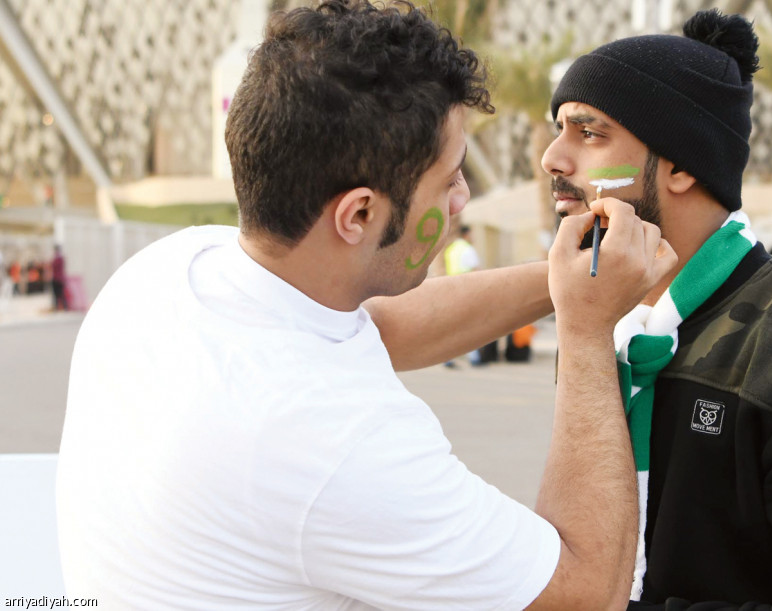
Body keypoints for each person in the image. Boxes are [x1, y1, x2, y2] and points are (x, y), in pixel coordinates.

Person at [56, 1, 676, 609]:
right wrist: (587, 328)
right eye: (450, 179)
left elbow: (384, 327)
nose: (462, 198)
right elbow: (586, 593)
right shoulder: (331, 444)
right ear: (357, 214)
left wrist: (567, 282)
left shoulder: (175, 270)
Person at [542, 9, 772, 609]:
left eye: (589, 133)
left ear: (682, 165)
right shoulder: (600, 325)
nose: (553, 158)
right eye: (559, 129)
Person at [442, 225, 486, 366]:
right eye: (472, 234)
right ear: (466, 234)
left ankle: (447, 358)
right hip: (467, 290)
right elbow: (476, 270)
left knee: (454, 326)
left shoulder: (451, 249)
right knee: (469, 325)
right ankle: (474, 358)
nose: (473, 237)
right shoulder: (468, 249)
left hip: (451, 290)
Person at [51, 244, 67, 311]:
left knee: (59, 293)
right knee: (59, 293)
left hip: (57, 278)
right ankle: (61, 306)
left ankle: (60, 306)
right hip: (59, 278)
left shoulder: (58, 259)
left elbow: (54, 266)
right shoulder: (60, 258)